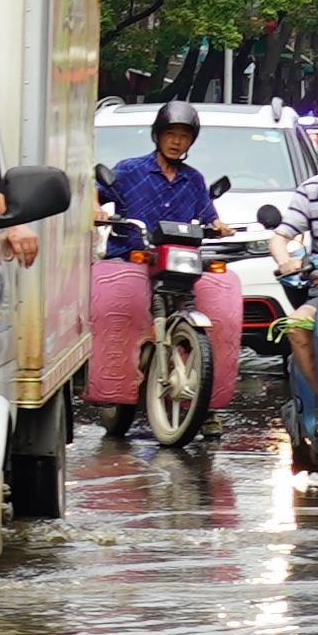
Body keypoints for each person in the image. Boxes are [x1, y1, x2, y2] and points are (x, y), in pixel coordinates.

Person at [96, 109, 231, 449]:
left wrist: (218, 226)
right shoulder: (130, 170)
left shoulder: (195, 179)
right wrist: (93, 209)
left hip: (178, 264)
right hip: (134, 258)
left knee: (213, 316)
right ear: (157, 135)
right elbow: (93, 192)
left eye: (184, 136)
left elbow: (208, 218)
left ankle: (206, 404)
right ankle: (109, 379)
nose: (176, 141)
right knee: (116, 314)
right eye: (171, 133)